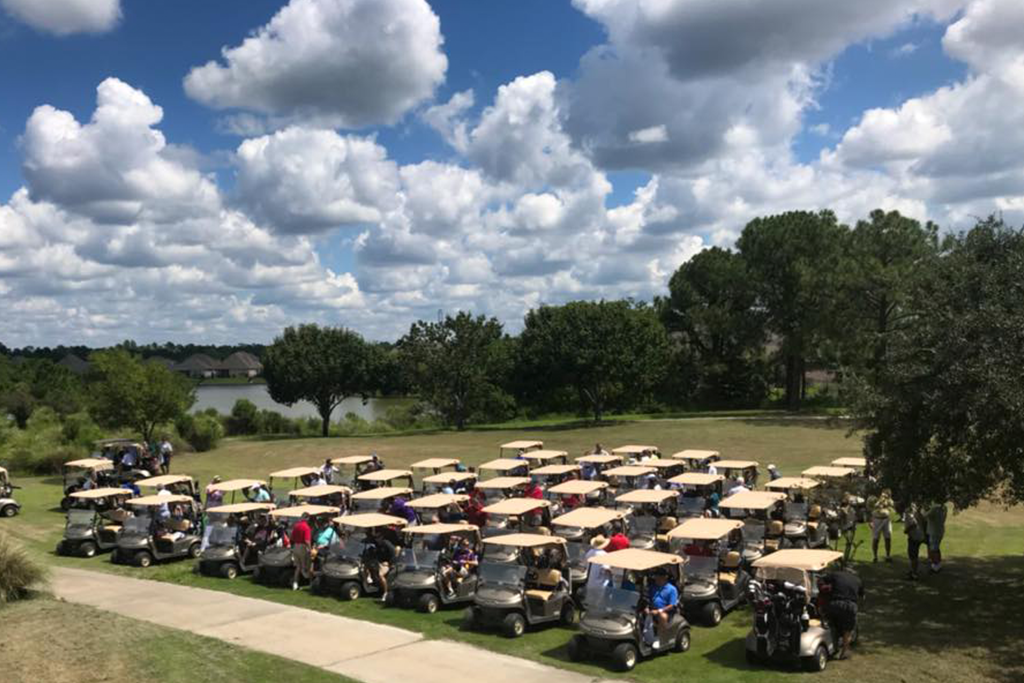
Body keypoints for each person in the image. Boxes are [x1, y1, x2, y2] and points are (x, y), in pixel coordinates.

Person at [819, 570, 864, 660]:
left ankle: (832, 646)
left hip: (835, 603)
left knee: (831, 624)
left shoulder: (835, 574)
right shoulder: (858, 580)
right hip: (851, 605)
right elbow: (862, 596)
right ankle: (844, 652)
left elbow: (821, 580)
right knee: (848, 630)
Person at [645, 568, 678, 647]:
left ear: (664, 577)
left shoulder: (672, 589)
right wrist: (646, 608)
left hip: (666, 611)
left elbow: (672, 605)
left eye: (658, 577)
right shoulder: (653, 587)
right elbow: (647, 598)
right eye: (656, 577)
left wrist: (659, 611)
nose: (656, 579)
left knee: (662, 616)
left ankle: (659, 638)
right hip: (653, 609)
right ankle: (646, 637)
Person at [363, 529, 396, 601]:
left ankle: (385, 592)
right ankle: (370, 582)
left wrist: (389, 563)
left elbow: (393, 554)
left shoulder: (387, 544)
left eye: (378, 537)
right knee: (366, 566)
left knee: (381, 575)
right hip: (379, 562)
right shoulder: (377, 544)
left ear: (382, 537)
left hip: (387, 564)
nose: (377, 539)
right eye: (376, 538)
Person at [903, 502, 926, 580]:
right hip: (918, 535)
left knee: (913, 555)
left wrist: (906, 530)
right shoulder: (917, 511)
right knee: (913, 555)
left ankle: (914, 574)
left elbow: (914, 523)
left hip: (914, 537)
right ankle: (913, 570)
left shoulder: (909, 513)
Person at [870, 489, 895, 563]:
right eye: (883, 494)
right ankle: (875, 557)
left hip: (886, 520)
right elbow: (872, 507)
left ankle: (888, 556)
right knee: (876, 539)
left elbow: (891, 505)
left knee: (888, 538)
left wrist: (887, 500)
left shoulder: (889, 500)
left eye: (886, 494)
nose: (884, 495)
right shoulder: (875, 500)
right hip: (877, 520)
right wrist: (880, 501)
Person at [290, 512, 313, 591]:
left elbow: (292, 538)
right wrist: (310, 549)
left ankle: (295, 583)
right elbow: (307, 541)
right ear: (307, 518)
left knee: (298, 567)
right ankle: (311, 583)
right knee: (307, 566)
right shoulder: (306, 527)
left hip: (295, 546)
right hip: (303, 547)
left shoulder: (296, 525)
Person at [925, 502, 947, 574]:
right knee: (936, 548)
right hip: (940, 530)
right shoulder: (944, 507)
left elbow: (925, 515)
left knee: (933, 549)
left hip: (934, 531)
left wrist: (923, 510)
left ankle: (935, 566)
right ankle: (938, 564)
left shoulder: (934, 508)